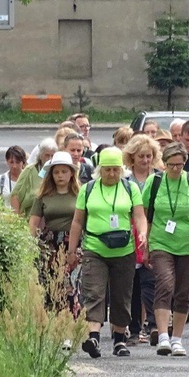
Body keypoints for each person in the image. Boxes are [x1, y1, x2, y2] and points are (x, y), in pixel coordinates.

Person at [66, 147, 148, 358]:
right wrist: (72, 250)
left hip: (124, 250)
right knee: (94, 292)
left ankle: (119, 340)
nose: (111, 174)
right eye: (107, 170)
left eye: (115, 170)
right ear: (99, 170)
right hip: (95, 248)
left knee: (122, 296)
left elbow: (139, 216)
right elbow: (77, 221)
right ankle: (94, 336)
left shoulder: (130, 188)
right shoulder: (88, 189)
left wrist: (142, 234)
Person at [143, 142, 189, 356]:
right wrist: (145, 242)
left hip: (188, 243)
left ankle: (177, 338)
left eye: (180, 165)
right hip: (161, 241)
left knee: (184, 293)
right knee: (165, 284)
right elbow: (144, 213)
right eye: (171, 165)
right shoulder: (154, 182)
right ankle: (163, 335)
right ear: (164, 163)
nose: (175, 169)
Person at [28, 152, 81, 317]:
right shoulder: (43, 196)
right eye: (56, 172)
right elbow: (34, 221)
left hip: (74, 243)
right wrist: (30, 244)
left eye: (64, 171)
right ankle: (56, 320)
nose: (60, 176)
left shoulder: (80, 194)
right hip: (50, 244)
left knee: (71, 283)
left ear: (71, 173)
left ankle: (72, 319)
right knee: (52, 283)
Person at [122, 135, 161, 345]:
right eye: (141, 156)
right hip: (130, 233)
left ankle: (154, 324)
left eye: (149, 156)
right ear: (132, 157)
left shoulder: (159, 178)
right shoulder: (125, 180)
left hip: (154, 232)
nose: (145, 160)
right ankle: (134, 328)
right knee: (133, 283)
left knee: (151, 280)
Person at [11, 138, 57, 216]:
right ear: (41, 156)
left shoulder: (57, 172)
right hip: (29, 218)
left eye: (52, 156)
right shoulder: (30, 170)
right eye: (47, 155)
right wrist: (16, 219)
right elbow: (15, 195)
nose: (50, 159)